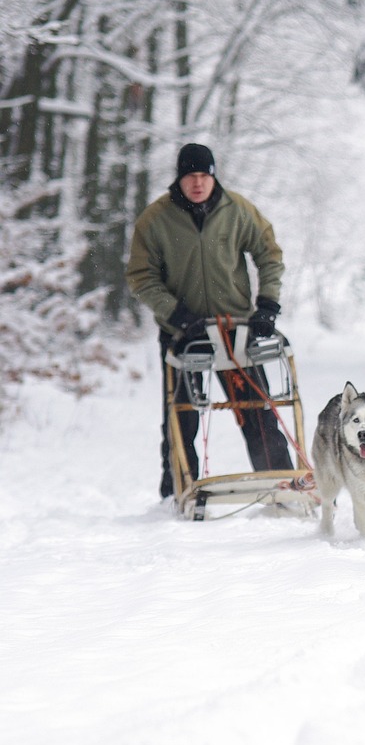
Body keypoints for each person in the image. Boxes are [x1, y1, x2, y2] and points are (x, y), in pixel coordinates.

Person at [126, 143, 294, 499]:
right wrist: (176, 314)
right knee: (181, 416)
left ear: (213, 176)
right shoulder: (156, 219)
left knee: (256, 412)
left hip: (235, 330)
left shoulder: (237, 211)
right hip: (183, 334)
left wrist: (267, 304)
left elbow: (269, 254)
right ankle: (178, 492)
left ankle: (281, 483)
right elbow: (141, 276)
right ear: (180, 178)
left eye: (204, 175)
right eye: (191, 176)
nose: (198, 183)